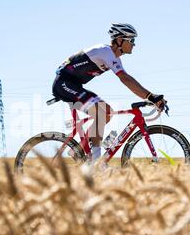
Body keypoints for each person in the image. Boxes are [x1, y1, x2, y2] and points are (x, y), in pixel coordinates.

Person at [52, 23, 167, 161]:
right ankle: (96, 160)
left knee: (106, 113)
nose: (134, 44)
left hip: (74, 85)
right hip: (63, 84)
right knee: (101, 112)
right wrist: (150, 96)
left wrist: (150, 97)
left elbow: (126, 78)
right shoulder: (105, 52)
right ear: (119, 40)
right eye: (131, 40)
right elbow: (124, 78)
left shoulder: (114, 57)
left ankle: (79, 151)